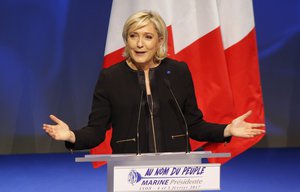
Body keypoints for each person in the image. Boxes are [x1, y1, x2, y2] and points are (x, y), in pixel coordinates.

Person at [43, 10, 265, 154]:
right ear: (126, 40)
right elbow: (96, 130)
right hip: (129, 172)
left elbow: (194, 126)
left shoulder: (177, 72)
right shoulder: (110, 78)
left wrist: (227, 129)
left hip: (176, 170)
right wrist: (71, 136)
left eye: (147, 37)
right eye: (133, 36)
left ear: (160, 40)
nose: (140, 44)